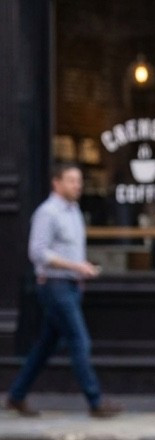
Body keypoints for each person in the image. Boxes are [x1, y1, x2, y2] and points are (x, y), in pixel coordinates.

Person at [4, 164, 122, 418]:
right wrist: (75, 266)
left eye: (78, 181)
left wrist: (81, 267)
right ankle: (95, 401)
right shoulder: (48, 213)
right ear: (56, 183)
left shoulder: (74, 211)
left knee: (46, 345)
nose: (77, 186)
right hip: (55, 285)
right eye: (71, 181)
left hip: (71, 285)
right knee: (80, 341)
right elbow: (37, 252)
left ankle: (16, 395)